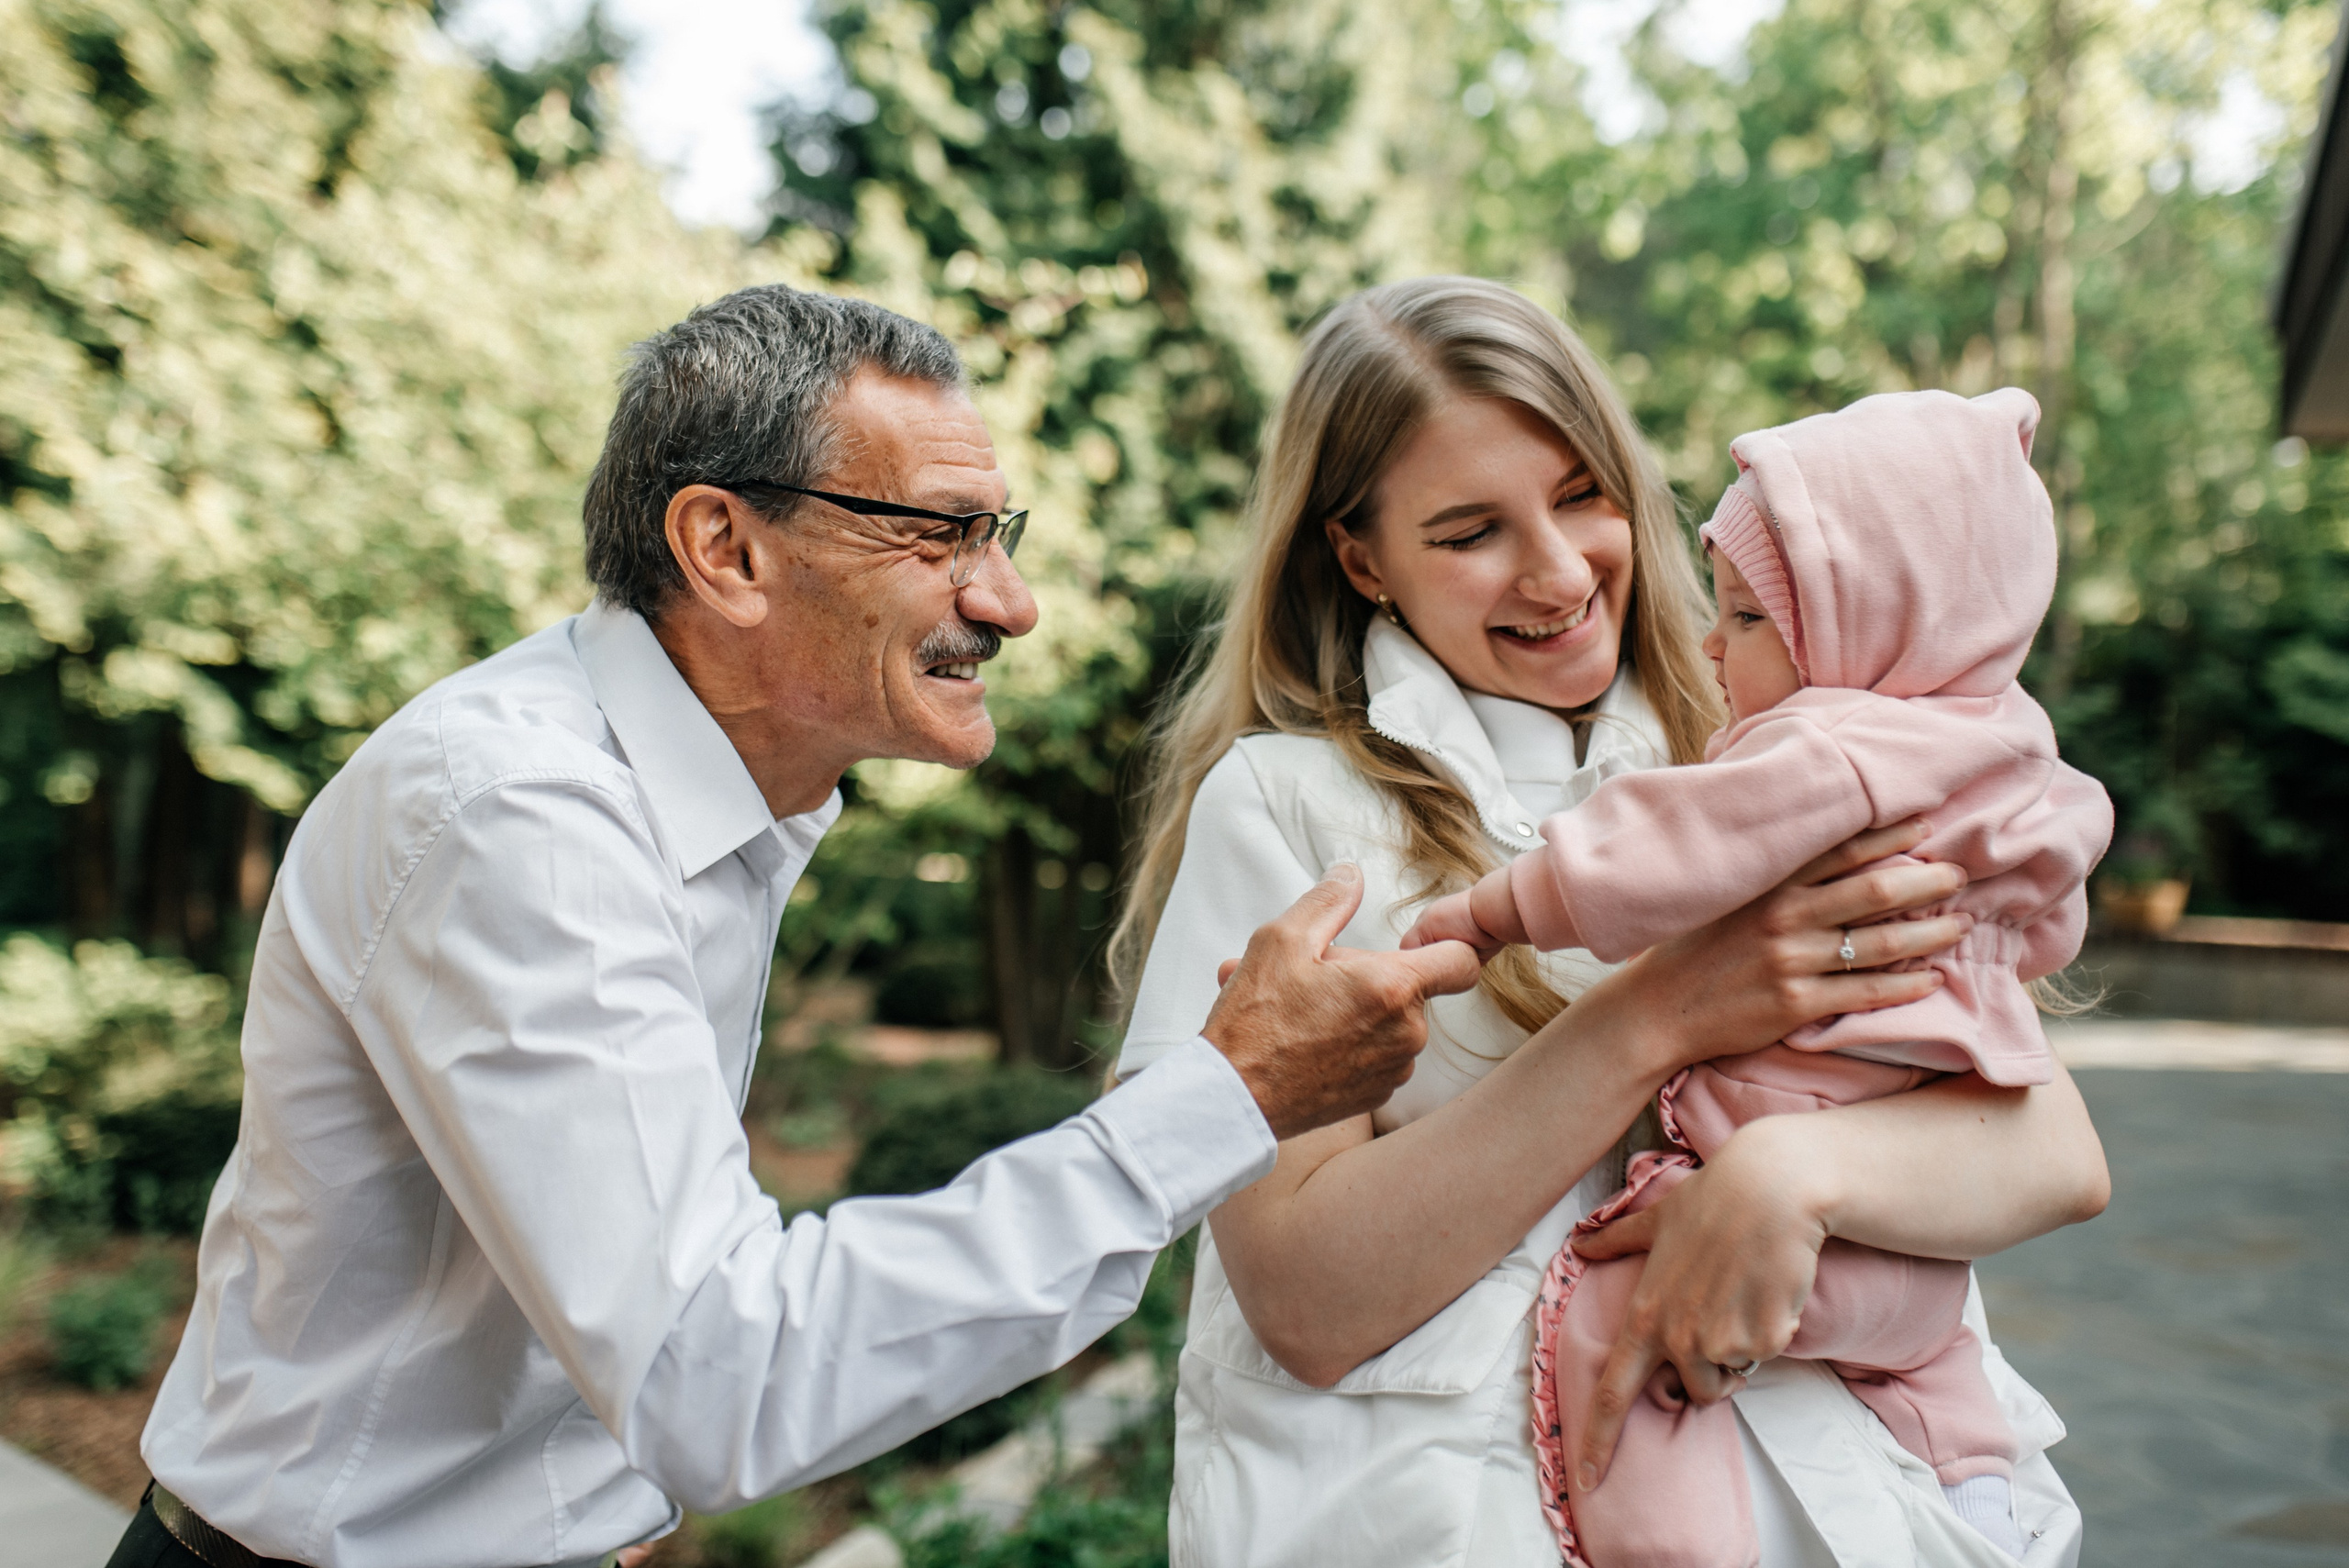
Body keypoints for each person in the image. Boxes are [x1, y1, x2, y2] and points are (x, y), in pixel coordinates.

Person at [113, 286, 1484, 1568]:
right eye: (941, 533)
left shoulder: (709, 800)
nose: (1009, 602)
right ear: (725, 549)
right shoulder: (520, 818)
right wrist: (1224, 1099)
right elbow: (717, 1374)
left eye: (999, 536)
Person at [1108, 277, 2111, 1568]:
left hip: (1838, 1506)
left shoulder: (1791, 747)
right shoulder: (1288, 807)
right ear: (1362, 558)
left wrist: (1787, 1175)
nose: (1556, 567)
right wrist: (1663, 1011)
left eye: (1584, 495)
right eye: (1470, 531)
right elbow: (1307, 1299)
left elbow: (2051, 1149)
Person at [1405, 387, 2114, 1564]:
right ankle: (1980, 1493)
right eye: (1469, 528)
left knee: (1615, 1313)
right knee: (1942, 1384)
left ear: (1859, 625)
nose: (1705, 643)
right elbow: (2046, 936)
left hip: (1792, 1208)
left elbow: (1647, 858)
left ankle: (1672, 1548)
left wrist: (1490, 910)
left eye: (1740, 616)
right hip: (1920, 1253)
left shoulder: (1824, 750)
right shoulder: (2012, 752)